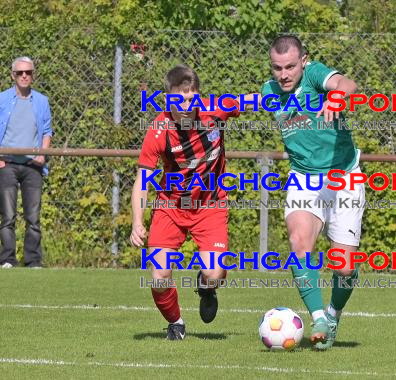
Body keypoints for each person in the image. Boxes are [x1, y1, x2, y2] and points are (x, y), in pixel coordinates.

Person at [130, 64, 256, 340]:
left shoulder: (215, 109)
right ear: (167, 99)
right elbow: (142, 180)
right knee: (159, 275)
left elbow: (254, 100)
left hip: (210, 206)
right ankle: (176, 323)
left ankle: (206, 286)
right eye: (180, 99)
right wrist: (137, 221)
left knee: (214, 273)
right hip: (170, 208)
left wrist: (294, 96)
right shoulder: (158, 130)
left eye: (192, 98)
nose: (187, 105)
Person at [261, 36, 364, 350]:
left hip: (344, 175)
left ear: (303, 60)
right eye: (277, 68)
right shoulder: (270, 92)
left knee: (344, 266)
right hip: (304, 179)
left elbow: (348, 84)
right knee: (299, 239)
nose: (284, 74)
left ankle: (333, 313)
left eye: (290, 66)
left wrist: (334, 98)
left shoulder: (316, 74)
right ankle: (318, 317)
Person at [0, 57, 52, 269]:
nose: (24, 76)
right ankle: (7, 259)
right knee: (8, 215)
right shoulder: (2, 99)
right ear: (13, 75)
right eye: (20, 72)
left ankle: (32, 261)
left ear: (33, 75)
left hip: (33, 166)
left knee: (33, 216)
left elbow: (47, 131)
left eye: (28, 72)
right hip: (7, 164)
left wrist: (43, 154)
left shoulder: (42, 101)